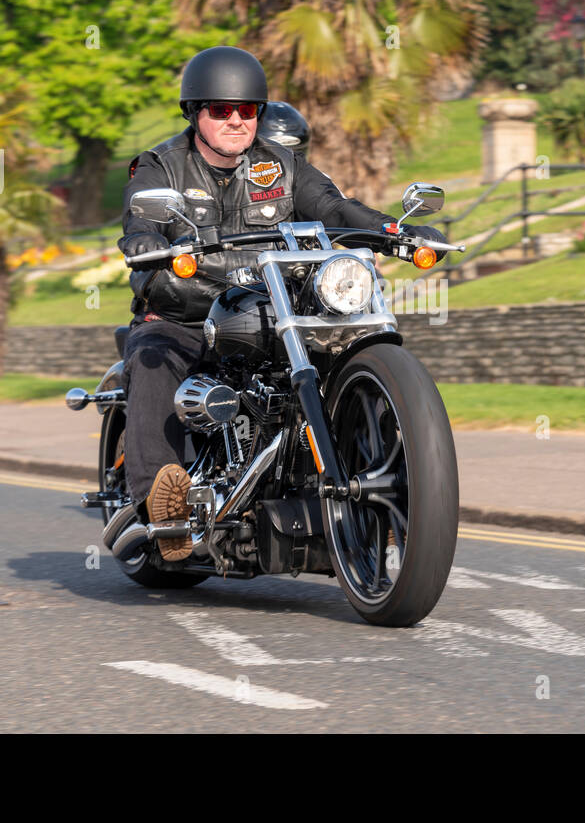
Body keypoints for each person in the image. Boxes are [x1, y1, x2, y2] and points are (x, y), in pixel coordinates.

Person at [117, 46, 445, 556]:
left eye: (247, 111)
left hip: (269, 312)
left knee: (350, 351)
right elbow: (142, 220)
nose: (235, 121)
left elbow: (335, 209)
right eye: (221, 110)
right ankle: (164, 502)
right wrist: (143, 241)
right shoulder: (162, 167)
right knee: (154, 354)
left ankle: (387, 484)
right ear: (195, 113)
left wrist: (394, 232)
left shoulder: (282, 167)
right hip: (188, 313)